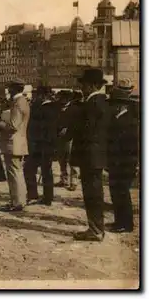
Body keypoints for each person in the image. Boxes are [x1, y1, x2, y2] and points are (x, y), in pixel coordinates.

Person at [69, 68, 110, 242]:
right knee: (95, 192)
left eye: (84, 85)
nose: (82, 88)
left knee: (92, 193)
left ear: (92, 85)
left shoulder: (92, 104)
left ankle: (95, 230)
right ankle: (97, 228)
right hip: (97, 155)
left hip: (90, 155)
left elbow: (87, 131)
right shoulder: (102, 102)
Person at [106, 80, 139, 233]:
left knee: (122, 193)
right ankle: (119, 221)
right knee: (116, 193)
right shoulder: (118, 118)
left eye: (115, 103)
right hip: (116, 162)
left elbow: (132, 146)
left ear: (121, 104)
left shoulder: (130, 121)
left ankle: (126, 224)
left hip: (125, 163)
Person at [0, 78, 30, 212]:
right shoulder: (22, 101)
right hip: (18, 142)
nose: (8, 90)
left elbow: (14, 125)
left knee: (14, 173)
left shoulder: (17, 103)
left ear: (14, 89)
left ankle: (17, 202)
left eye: (9, 88)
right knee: (17, 173)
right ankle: (19, 200)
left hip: (12, 142)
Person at [23, 85, 60, 206]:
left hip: (39, 145)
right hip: (47, 145)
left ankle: (33, 194)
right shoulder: (54, 108)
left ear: (42, 95)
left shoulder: (42, 108)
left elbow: (38, 128)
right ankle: (48, 197)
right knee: (46, 171)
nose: (35, 97)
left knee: (29, 169)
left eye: (37, 94)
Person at [57, 90, 82, 191]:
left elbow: (77, 124)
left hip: (70, 137)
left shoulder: (75, 109)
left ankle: (74, 182)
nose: (62, 100)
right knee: (61, 159)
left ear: (68, 98)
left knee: (72, 160)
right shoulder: (58, 108)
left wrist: (67, 128)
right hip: (59, 137)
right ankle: (64, 179)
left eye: (63, 97)